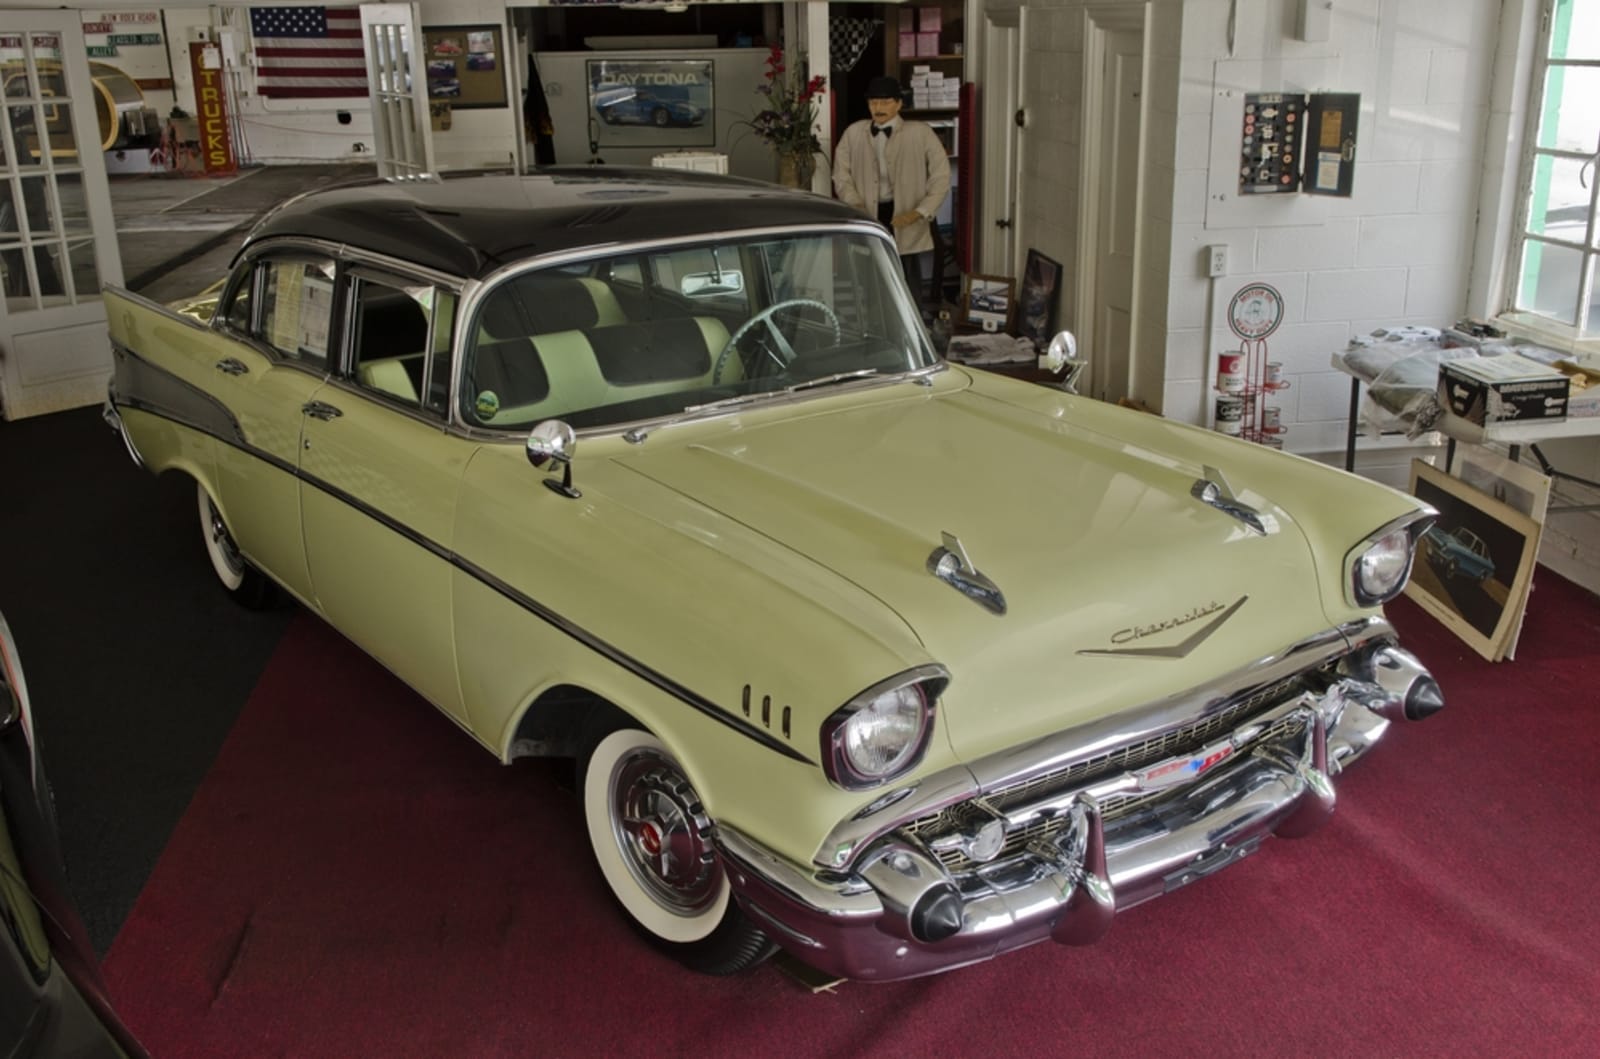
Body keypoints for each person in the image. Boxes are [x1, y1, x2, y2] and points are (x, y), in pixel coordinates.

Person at [832, 75, 950, 316]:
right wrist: (854, 203)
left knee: (907, 272)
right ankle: (875, 324)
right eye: (873, 102)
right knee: (870, 271)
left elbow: (941, 175)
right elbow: (840, 174)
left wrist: (921, 211)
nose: (878, 108)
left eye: (885, 102)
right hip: (868, 212)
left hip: (905, 212)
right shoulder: (854, 133)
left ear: (898, 104)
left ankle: (912, 326)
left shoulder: (920, 133)